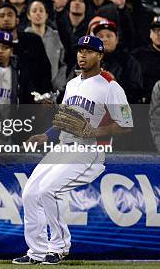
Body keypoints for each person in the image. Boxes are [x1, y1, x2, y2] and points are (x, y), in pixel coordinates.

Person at [14, 35, 133, 265]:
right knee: (30, 193)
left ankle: (58, 247)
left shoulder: (110, 86)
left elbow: (127, 125)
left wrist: (94, 132)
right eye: (80, 50)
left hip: (88, 151)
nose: (82, 55)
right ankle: (36, 252)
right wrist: (46, 135)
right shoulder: (72, 84)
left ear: (100, 55)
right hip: (62, 148)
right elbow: (64, 121)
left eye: (88, 51)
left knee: (49, 190)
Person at [91, 18, 143, 103]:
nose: (104, 39)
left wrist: (115, 83)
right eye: (100, 36)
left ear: (117, 39)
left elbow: (136, 93)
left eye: (109, 36)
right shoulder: (87, 60)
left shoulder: (129, 62)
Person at [25, 0, 67, 91]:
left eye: (41, 10)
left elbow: (64, 63)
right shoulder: (23, 37)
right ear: (28, 16)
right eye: (34, 11)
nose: (38, 13)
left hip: (54, 89)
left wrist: (58, 84)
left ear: (46, 15)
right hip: (30, 89)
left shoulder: (57, 36)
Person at [132, 16, 160, 103]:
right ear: (150, 34)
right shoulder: (138, 55)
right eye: (156, 30)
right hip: (145, 105)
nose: (159, 34)